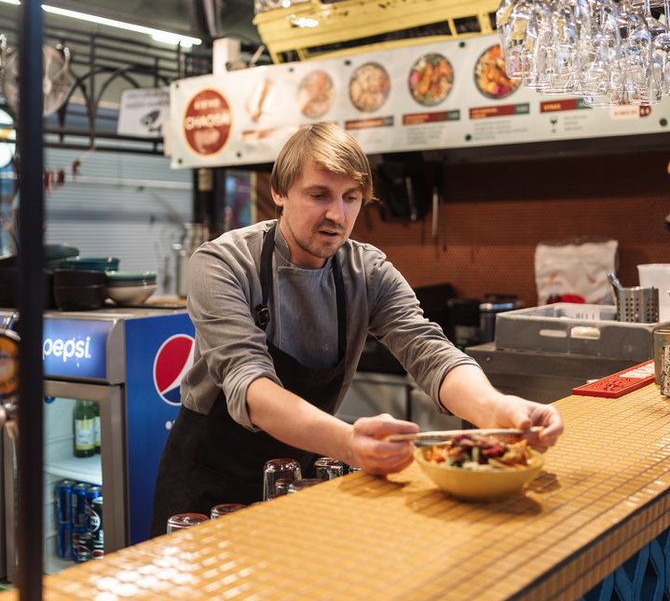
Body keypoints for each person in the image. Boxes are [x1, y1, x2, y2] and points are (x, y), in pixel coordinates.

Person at [150, 122, 563, 533]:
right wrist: (349, 443)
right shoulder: (222, 264)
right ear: (279, 191)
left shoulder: (367, 272)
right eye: (319, 195)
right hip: (206, 488)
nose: (338, 215)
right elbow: (249, 384)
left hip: (299, 478)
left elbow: (430, 351)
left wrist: (496, 410)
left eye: (351, 198)